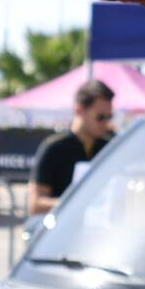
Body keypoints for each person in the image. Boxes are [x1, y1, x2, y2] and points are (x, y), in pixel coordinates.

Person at [30, 76, 118, 210]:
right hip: (64, 229)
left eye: (109, 117)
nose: (106, 122)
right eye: (100, 117)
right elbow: (35, 204)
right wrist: (76, 205)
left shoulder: (109, 147)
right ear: (79, 110)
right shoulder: (54, 148)